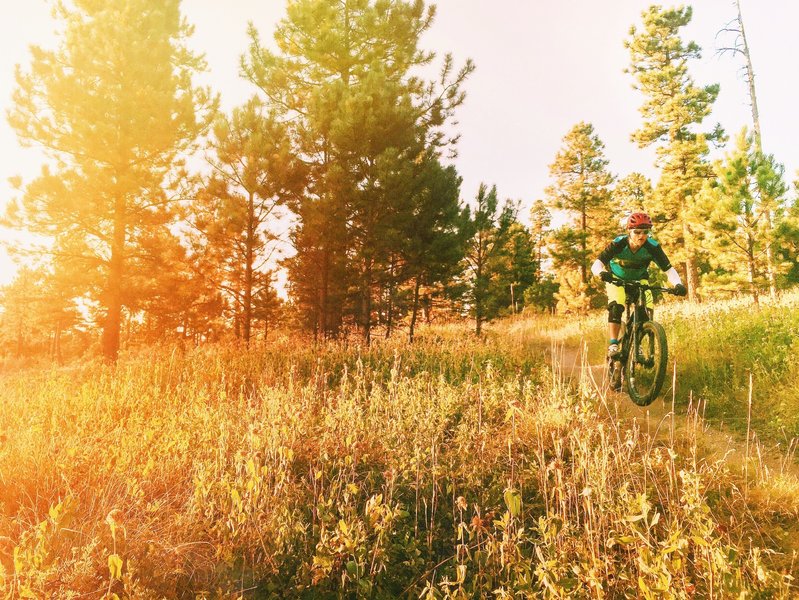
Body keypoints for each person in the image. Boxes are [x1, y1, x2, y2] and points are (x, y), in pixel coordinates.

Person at [590, 212, 687, 358]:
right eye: (637, 232)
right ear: (629, 231)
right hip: (616, 279)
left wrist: (678, 284)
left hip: (639, 280)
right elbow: (596, 264)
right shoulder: (619, 243)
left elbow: (668, 269)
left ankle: (636, 343)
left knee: (647, 310)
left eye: (645, 232)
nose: (641, 236)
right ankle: (613, 344)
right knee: (617, 305)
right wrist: (602, 273)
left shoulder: (652, 247)